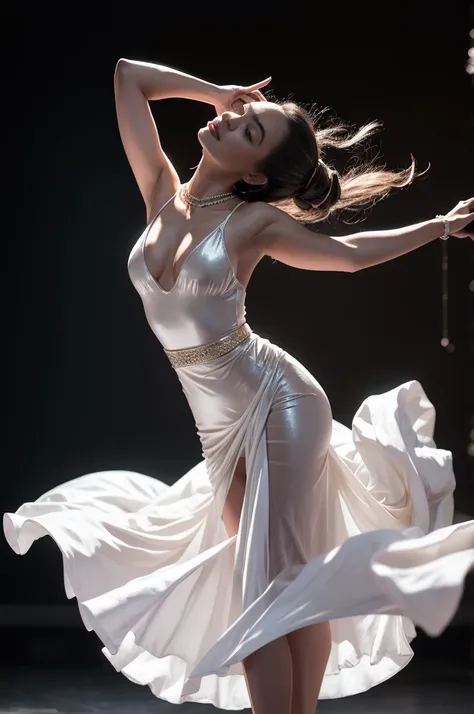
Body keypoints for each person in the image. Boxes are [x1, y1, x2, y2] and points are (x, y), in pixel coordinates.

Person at [4, 58, 474, 714]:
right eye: (241, 114)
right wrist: (214, 90)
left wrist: (436, 228)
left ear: (255, 175)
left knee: (263, 585)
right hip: (218, 423)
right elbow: (125, 77)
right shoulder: (162, 194)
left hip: (279, 402)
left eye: (249, 131)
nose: (229, 119)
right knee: (284, 578)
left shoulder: (253, 224)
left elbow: (347, 256)